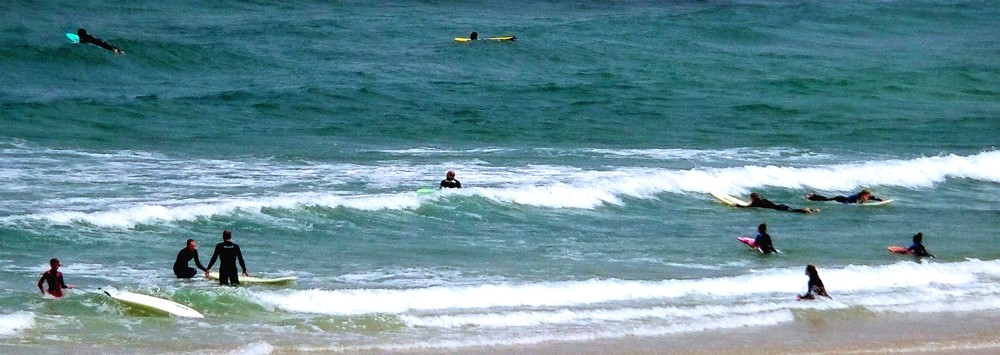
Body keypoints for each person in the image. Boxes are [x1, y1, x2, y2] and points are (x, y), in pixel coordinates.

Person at [739, 192, 813, 213]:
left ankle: (805, 210)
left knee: (793, 211)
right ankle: (810, 209)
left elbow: (746, 207)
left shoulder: (755, 204)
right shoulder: (763, 200)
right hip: (781, 206)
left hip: (780, 208)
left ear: (752, 198)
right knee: (793, 210)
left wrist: (737, 205)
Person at [805, 189, 883, 204]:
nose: (868, 197)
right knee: (826, 200)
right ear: (863, 194)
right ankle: (812, 197)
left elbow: (874, 198)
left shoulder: (867, 196)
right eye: (867, 195)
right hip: (840, 199)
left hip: (843, 198)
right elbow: (848, 201)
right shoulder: (856, 196)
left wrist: (880, 200)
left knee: (827, 199)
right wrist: (846, 204)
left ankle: (813, 196)